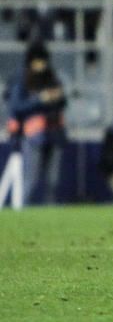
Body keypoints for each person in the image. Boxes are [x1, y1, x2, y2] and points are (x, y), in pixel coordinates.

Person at [4, 41, 66, 205]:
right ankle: (23, 206)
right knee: (31, 177)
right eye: (37, 61)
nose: (41, 65)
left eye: (43, 61)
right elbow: (16, 107)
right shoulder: (21, 80)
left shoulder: (52, 77)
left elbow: (62, 102)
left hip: (54, 132)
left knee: (53, 179)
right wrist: (40, 99)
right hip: (33, 134)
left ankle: (50, 211)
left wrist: (57, 98)